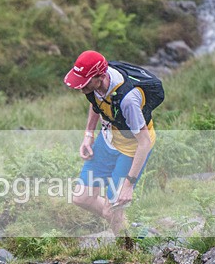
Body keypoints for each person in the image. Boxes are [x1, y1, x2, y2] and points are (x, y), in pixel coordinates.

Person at [63, 50, 161, 234]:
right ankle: (129, 227)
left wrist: (128, 185)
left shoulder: (128, 100)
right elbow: (96, 103)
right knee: (81, 197)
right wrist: (88, 135)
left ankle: (125, 252)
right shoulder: (95, 85)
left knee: (112, 208)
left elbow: (144, 143)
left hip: (132, 150)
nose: (79, 88)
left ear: (99, 77)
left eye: (84, 83)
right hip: (108, 140)